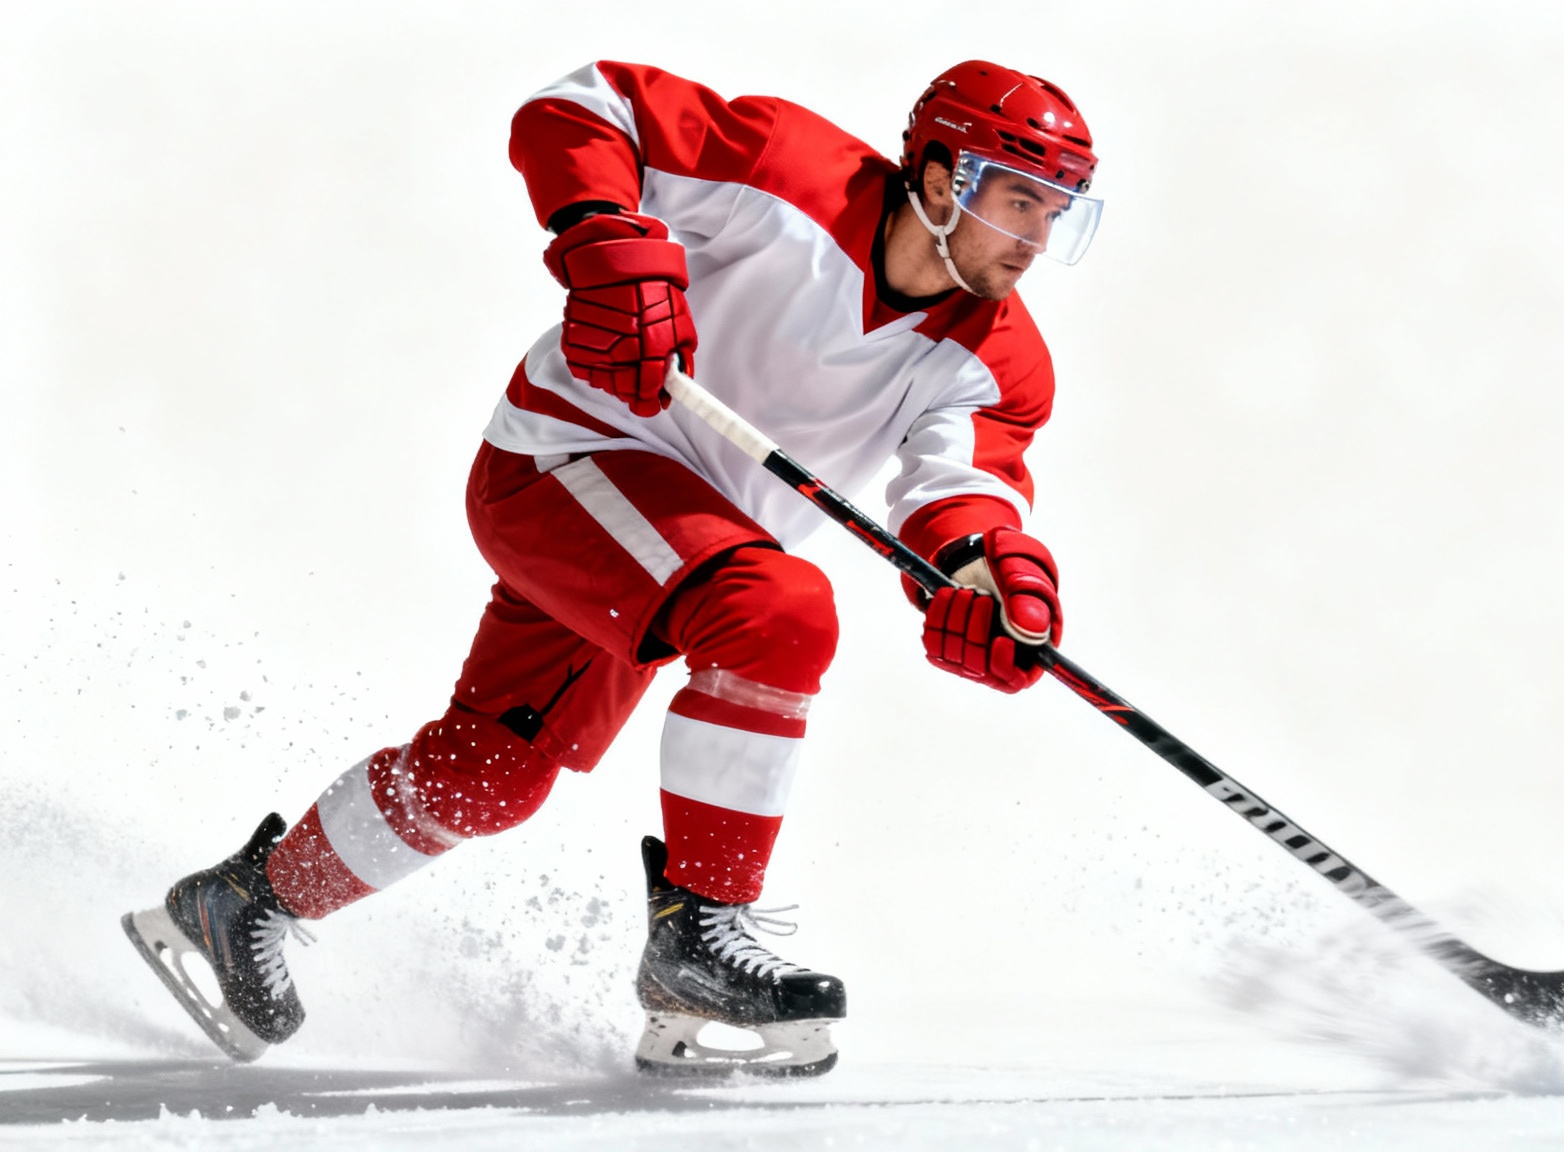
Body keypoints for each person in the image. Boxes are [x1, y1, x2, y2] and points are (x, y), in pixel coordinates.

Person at [122, 58, 1102, 1079]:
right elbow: (584, 106)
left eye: (1057, 212)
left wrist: (986, 577)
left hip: (680, 551)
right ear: (943, 180)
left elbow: (964, 487)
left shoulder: (1001, 360)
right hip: (565, 463)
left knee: (491, 774)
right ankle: (700, 937)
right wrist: (602, 239)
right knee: (780, 612)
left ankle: (242, 904)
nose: (1035, 239)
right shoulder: (786, 169)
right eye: (1018, 200)